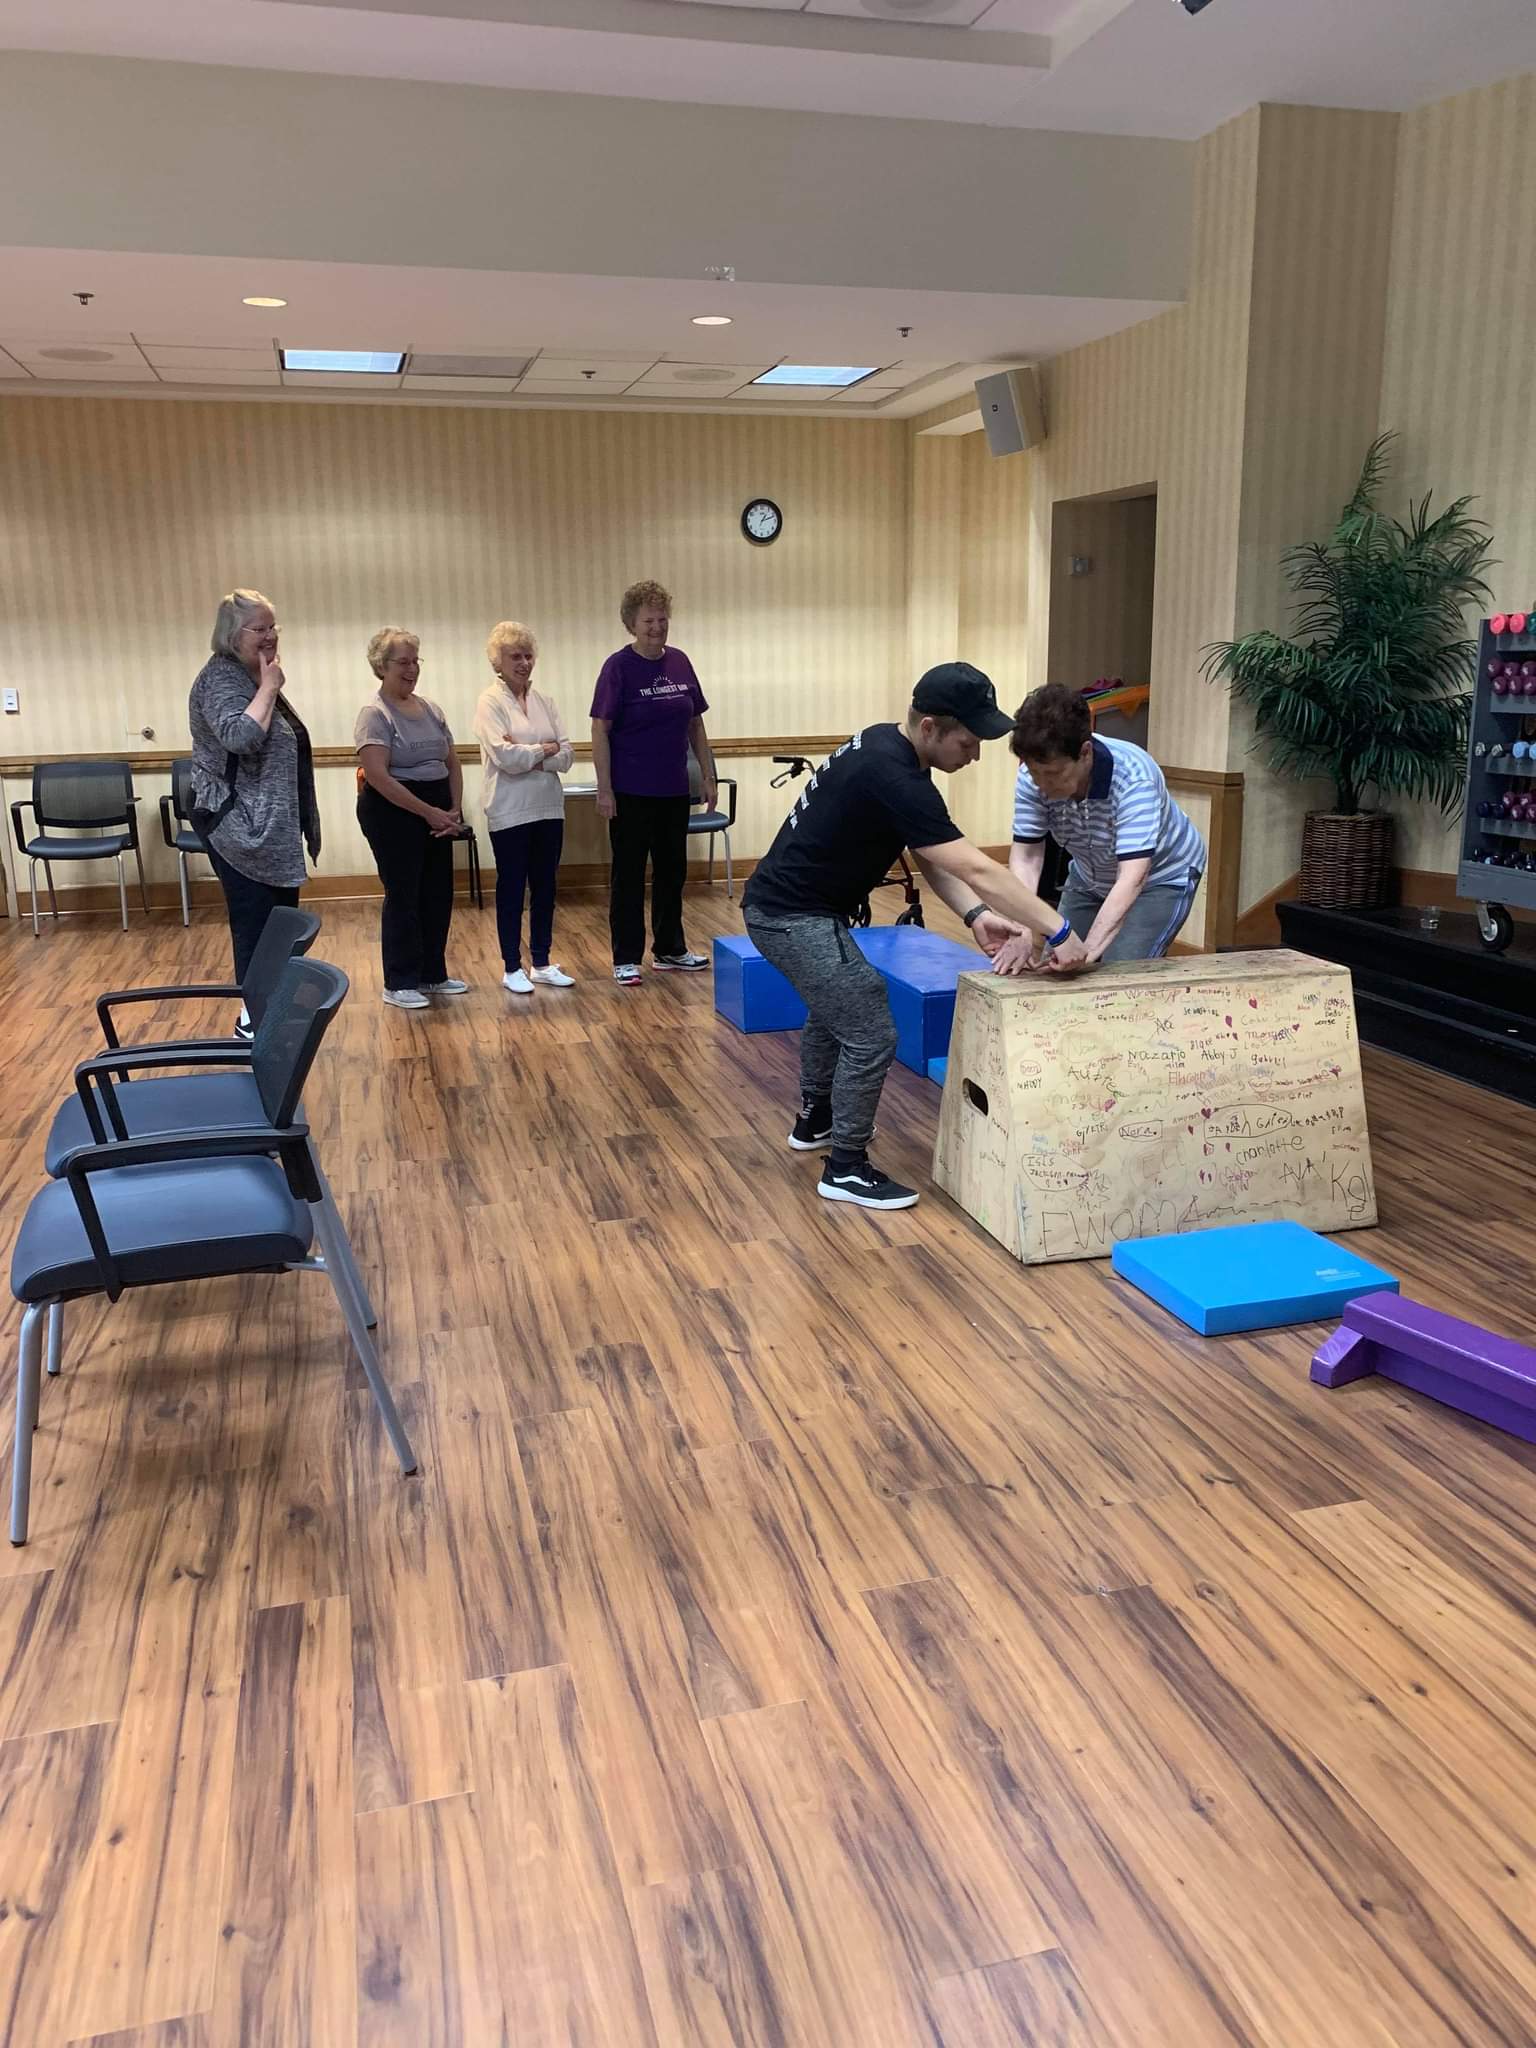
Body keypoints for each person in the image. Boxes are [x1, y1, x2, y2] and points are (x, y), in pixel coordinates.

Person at [743, 662, 1090, 1212]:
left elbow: (932, 855)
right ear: (930, 727)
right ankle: (846, 1168)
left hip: (794, 909)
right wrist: (1060, 928)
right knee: (870, 1030)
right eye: (969, 742)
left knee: (837, 1008)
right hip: (789, 916)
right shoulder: (894, 775)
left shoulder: (889, 748)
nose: (976, 755)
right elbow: (978, 867)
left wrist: (975, 916)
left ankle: (816, 1120)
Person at [996, 682, 1206, 971]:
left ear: (1085, 753)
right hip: (1089, 873)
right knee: (1054, 967)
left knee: (1120, 973)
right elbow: (1027, 858)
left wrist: (1087, 952)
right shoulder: (1031, 779)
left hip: (1160, 877)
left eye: (1053, 773)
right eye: (1034, 772)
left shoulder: (1134, 778)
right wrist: (1021, 928)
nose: (1042, 784)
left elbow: (1132, 877)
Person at [188, 588, 321, 1030]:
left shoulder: (253, 674)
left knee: (282, 925)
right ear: (232, 634)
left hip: (271, 827)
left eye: (272, 627)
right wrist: (269, 687)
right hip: (238, 826)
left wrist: (266, 684)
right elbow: (239, 737)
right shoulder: (221, 679)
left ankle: (271, 1008)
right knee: (257, 926)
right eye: (258, 628)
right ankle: (253, 1020)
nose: (269, 636)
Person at [591, 579, 715, 985]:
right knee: (628, 875)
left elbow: (695, 723)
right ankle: (626, 957)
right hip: (630, 791)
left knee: (672, 872)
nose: (657, 627)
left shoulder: (680, 662)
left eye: (662, 619)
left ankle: (670, 948)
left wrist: (708, 775)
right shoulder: (618, 667)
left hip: (674, 789)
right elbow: (600, 729)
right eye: (648, 621)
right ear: (631, 623)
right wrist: (605, 788)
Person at [354, 628, 467, 1010]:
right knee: (404, 894)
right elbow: (378, 776)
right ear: (381, 666)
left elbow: (452, 762)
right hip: (393, 811)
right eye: (403, 662)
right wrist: (428, 812)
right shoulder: (375, 714)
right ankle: (399, 981)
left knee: (437, 892)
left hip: (437, 809)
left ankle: (432, 974)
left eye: (415, 661)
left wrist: (453, 808)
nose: (412, 669)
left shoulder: (431, 709)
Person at [475, 620, 575, 994]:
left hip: (549, 807)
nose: (523, 663)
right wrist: (544, 749)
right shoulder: (489, 702)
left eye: (528, 655)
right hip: (509, 810)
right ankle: (511, 966)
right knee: (512, 890)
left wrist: (530, 753)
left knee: (546, 888)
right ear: (497, 662)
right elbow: (504, 757)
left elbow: (567, 755)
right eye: (514, 656)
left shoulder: (545, 701)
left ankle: (542, 962)